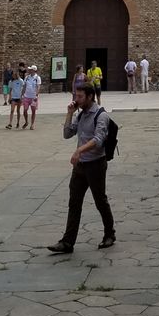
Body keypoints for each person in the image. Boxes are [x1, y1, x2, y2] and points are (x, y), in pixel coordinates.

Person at [47, 83, 115, 254]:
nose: (76, 99)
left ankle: (109, 234)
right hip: (80, 167)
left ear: (90, 97)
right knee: (74, 203)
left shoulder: (101, 115)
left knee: (100, 201)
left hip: (96, 164)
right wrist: (69, 113)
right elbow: (67, 134)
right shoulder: (80, 114)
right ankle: (67, 242)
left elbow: (98, 139)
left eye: (80, 96)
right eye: (75, 96)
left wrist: (79, 150)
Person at [21, 64, 41, 129]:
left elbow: (38, 87)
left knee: (33, 111)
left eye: (31, 69)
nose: (29, 70)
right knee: (25, 110)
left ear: (34, 70)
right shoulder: (27, 77)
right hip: (26, 96)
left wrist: (36, 95)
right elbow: (24, 86)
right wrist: (22, 94)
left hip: (33, 97)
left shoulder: (37, 78)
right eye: (29, 69)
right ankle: (26, 121)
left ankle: (32, 124)